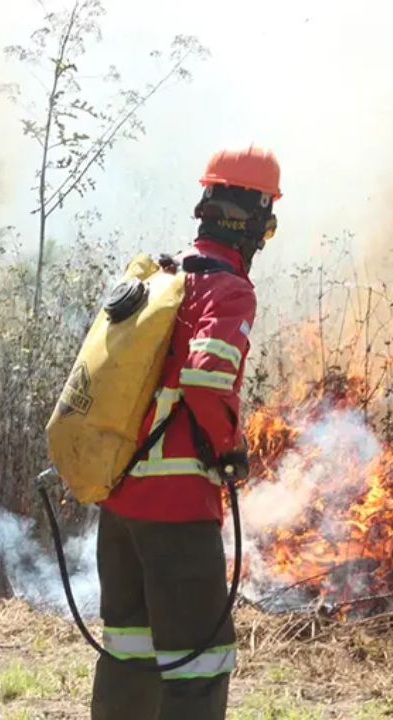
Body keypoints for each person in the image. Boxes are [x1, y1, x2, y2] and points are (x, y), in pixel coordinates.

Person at [92, 146, 280, 719]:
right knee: (200, 666)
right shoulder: (228, 290)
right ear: (253, 222)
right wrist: (229, 451)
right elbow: (204, 380)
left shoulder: (160, 276)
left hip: (119, 499)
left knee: (128, 654)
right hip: (175, 510)